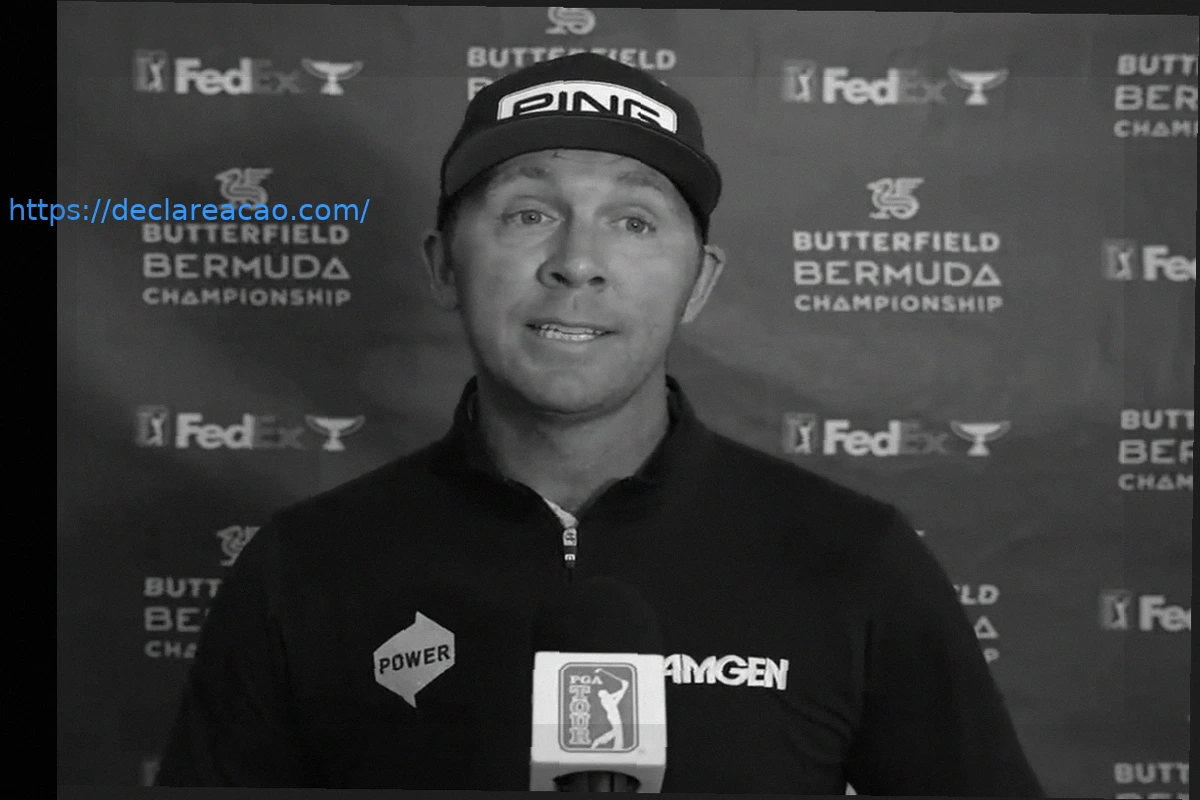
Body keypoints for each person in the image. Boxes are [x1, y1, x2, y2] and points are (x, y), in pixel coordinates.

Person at [155, 52, 1045, 795]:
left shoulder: (854, 558)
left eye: (633, 221)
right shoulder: (303, 567)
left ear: (699, 281)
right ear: (443, 266)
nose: (577, 262)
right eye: (529, 214)